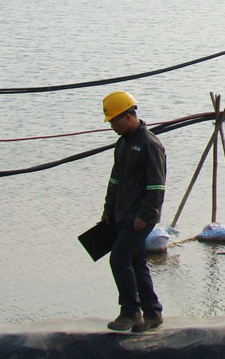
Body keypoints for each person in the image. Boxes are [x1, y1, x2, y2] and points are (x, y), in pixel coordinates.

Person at [101, 91, 166, 332]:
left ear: (128, 116)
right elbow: (115, 181)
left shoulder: (150, 145)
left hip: (140, 217)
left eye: (114, 122)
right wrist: (108, 209)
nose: (112, 128)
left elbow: (157, 185)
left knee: (119, 259)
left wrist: (146, 214)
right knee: (137, 262)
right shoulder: (123, 145)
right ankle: (152, 312)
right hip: (121, 214)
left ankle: (130, 311)